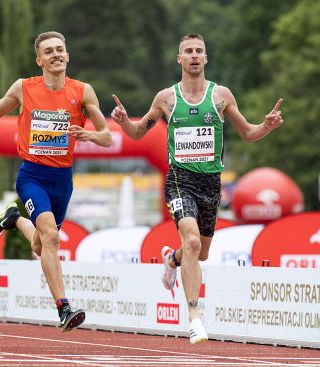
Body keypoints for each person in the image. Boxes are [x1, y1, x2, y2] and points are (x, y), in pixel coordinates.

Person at [111, 33, 284, 344]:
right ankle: (194, 318)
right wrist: (124, 121)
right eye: (188, 51)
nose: (193, 56)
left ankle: (172, 261)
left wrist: (266, 127)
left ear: (205, 59)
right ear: (179, 59)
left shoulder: (221, 96)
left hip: (210, 184)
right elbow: (138, 133)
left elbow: (247, 133)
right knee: (190, 240)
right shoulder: (166, 98)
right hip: (180, 180)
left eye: (198, 51)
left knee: (199, 252)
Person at [0, 31, 112, 332]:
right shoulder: (24, 88)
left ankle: (14, 220)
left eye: (60, 49)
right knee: (50, 238)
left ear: (68, 55)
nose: (56, 55)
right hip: (32, 175)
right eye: (49, 52)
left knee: (38, 243)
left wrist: (89, 135)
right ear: (39, 60)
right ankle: (64, 308)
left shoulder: (83, 91)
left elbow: (106, 135)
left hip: (63, 180)